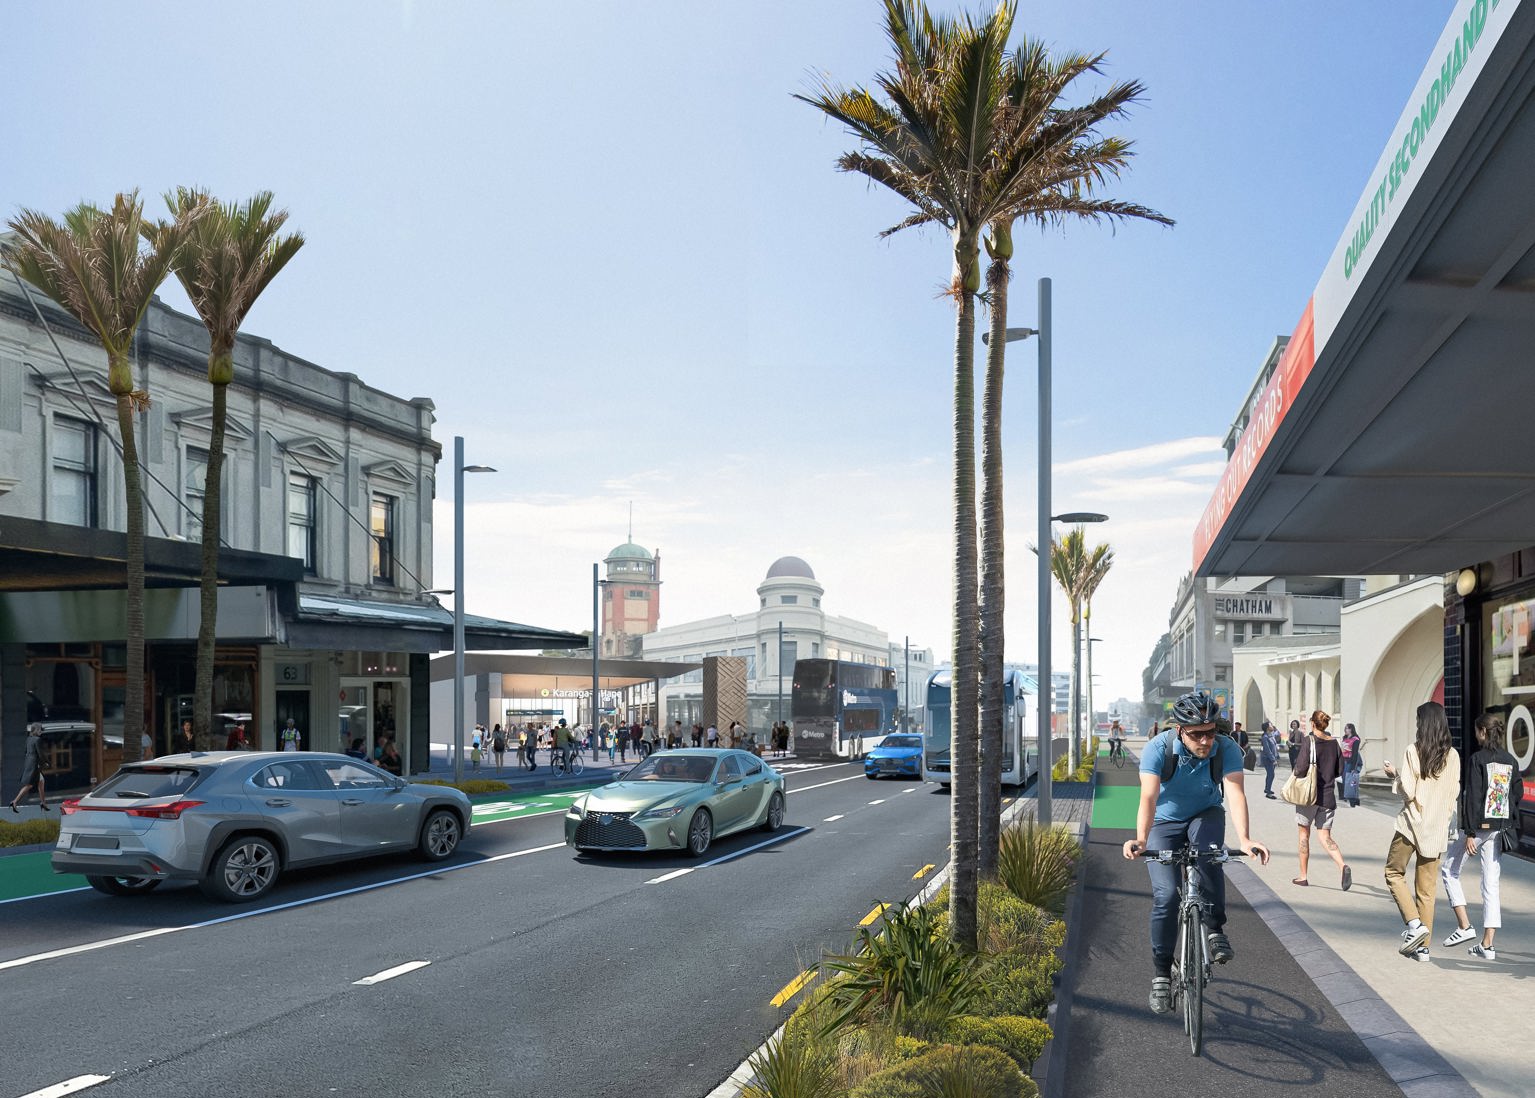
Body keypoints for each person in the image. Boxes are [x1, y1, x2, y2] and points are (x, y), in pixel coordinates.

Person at [1123, 690, 1269, 1015]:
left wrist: (1244, 839)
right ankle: (1162, 974)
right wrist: (1141, 840)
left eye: (1210, 732)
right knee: (1165, 896)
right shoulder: (1158, 749)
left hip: (1206, 813)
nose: (1205, 742)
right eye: (1197, 735)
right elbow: (1148, 798)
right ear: (1179, 730)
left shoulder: (1227, 748)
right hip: (1163, 822)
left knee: (1211, 857)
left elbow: (1234, 792)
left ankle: (1215, 927)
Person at [1441, 711, 1524, 960]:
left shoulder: (1477, 759)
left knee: (1448, 869)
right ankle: (1487, 944)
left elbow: (1473, 797)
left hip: (1479, 828)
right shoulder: (1509, 759)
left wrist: (1468, 832)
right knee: (1490, 883)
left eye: (1478, 731)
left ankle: (1465, 926)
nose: (1476, 735)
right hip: (1500, 828)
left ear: (1483, 732)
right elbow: (1517, 791)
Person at [1382, 701, 1461, 958]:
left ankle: (1414, 925)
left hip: (1411, 825)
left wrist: (1394, 775)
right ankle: (1424, 949)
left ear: (1422, 723)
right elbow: (1453, 795)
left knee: (1393, 872)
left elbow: (1408, 791)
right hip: (1436, 829)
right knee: (1427, 891)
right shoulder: (1454, 756)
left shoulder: (1413, 751)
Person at [1290, 710, 1350, 890]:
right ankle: (1342, 865)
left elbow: (1300, 769)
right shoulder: (1334, 743)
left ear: (1313, 724)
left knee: (1304, 835)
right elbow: (1340, 770)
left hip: (1309, 796)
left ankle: (1303, 876)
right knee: (1325, 836)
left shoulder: (1309, 741)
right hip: (1328, 796)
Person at [9, 724, 50, 812]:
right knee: (29, 785)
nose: (41, 731)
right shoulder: (38, 739)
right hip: (35, 765)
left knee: (41, 782)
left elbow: (26, 751)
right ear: (35, 730)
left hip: (29, 763)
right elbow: (40, 754)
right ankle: (15, 801)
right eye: (39, 730)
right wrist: (46, 762)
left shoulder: (28, 739)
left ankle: (43, 802)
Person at [1340, 722, 1363, 807]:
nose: (1345, 730)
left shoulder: (1355, 740)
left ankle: (1353, 800)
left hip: (1350, 762)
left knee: (1350, 781)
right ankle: (1353, 799)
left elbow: (1355, 754)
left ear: (1351, 729)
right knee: (1344, 780)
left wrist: (1353, 767)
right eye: (1345, 728)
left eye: (1347, 728)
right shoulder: (1344, 738)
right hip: (1343, 761)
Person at [1259, 720, 1280, 799]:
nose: (1272, 726)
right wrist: (1273, 759)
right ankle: (1268, 793)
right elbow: (1267, 750)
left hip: (1273, 758)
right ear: (1267, 728)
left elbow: (1274, 747)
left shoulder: (1271, 735)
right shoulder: (1265, 737)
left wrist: (1277, 757)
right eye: (1271, 725)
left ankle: (1267, 788)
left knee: (1270, 774)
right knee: (1271, 774)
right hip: (1268, 759)